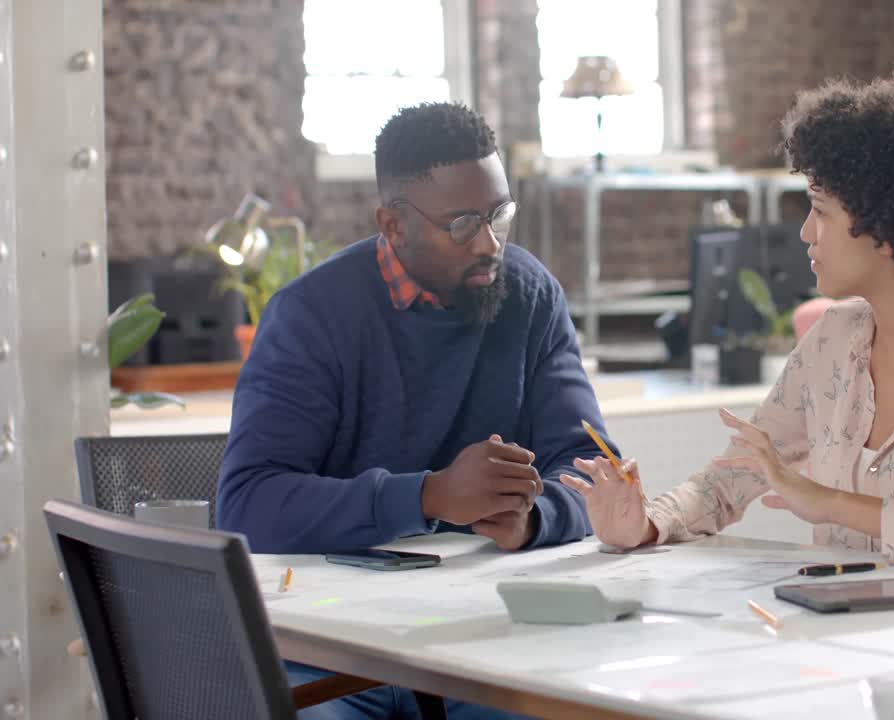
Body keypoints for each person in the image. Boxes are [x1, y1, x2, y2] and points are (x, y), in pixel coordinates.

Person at [564, 66, 894, 569]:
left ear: (887, 226)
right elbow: (729, 481)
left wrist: (834, 504)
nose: (806, 233)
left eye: (821, 210)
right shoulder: (832, 341)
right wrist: (646, 523)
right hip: (839, 636)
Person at [217, 102, 613, 719]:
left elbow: (593, 467)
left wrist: (534, 518)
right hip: (332, 652)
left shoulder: (530, 297)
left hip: (488, 643)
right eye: (461, 225)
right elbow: (248, 504)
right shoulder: (311, 317)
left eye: (498, 214)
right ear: (393, 224)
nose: (489, 244)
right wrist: (428, 497)